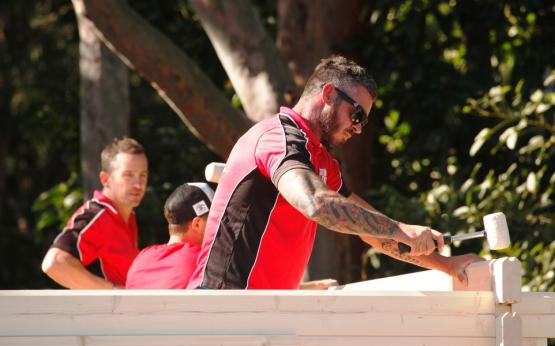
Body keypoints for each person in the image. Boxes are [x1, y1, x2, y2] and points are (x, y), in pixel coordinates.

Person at [187, 55, 481, 290]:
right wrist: (402, 229)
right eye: (357, 115)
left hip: (259, 312)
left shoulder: (322, 161)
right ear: (328, 94)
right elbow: (315, 203)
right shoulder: (278, 138)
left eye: (363, 122)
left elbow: (371, 232)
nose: (357, 128)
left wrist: (448, 264)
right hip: (223, 303)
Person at [41, 137, 148, 289]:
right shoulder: (96, 216)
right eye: (128, 175)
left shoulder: (128, 216)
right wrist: (114, 293)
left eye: (143, 175)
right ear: (105, 179)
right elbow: (54, 263)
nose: (138, 184)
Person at [126, 182, 215, 289]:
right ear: (197, 224)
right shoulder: (203, 261)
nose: (218, 227)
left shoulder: (142, 258)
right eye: (214, 220)